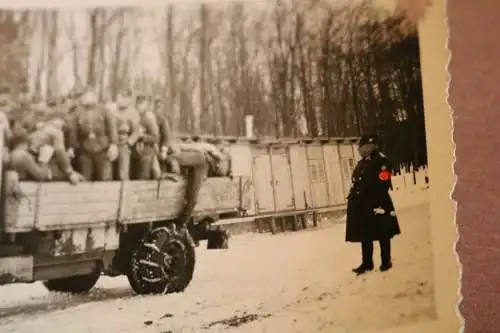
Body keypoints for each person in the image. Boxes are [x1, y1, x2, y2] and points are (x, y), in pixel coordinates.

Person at [345, 133, 401, 275]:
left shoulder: (382, 161)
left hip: (378, 202)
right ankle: (367, 263)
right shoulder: (362, 163)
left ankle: (385, 262)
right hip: (362, 204)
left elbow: (384, 182)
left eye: (361, 147)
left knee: (383, 233)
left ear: (370, 146)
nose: (359, 149)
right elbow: (357, 181)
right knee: (365, 235)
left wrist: (377, 202)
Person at [66, 89, 118, 181]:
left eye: (87, 96)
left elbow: (112, 127)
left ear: (94, 97)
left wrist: (114, 144)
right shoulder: (77, 112)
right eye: (84, 96)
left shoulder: (104, 110)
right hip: (85, 149)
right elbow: (73, 131)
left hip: (103, 149)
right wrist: (71, 147)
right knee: (85, 177)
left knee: (105, 177)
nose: (85, 98)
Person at [114, 90, 141, 180]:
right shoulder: (112, 111)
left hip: (124, 143)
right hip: (112, 143)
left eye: (123, 98)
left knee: (123, 173)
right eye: (119, 97)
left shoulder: (133, 113)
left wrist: (128, 143)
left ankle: (125, 189)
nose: (120, 100)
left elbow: (136, 132)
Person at [134, 94, 161, 180]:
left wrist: (142, 137)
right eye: (137, 103)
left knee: (143, 177)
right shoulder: (133, 116)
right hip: (134, 152)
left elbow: (156, 137)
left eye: (141, 103)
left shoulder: (149, 118)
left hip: (146, 152)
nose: (139, 105)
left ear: (145, 105)